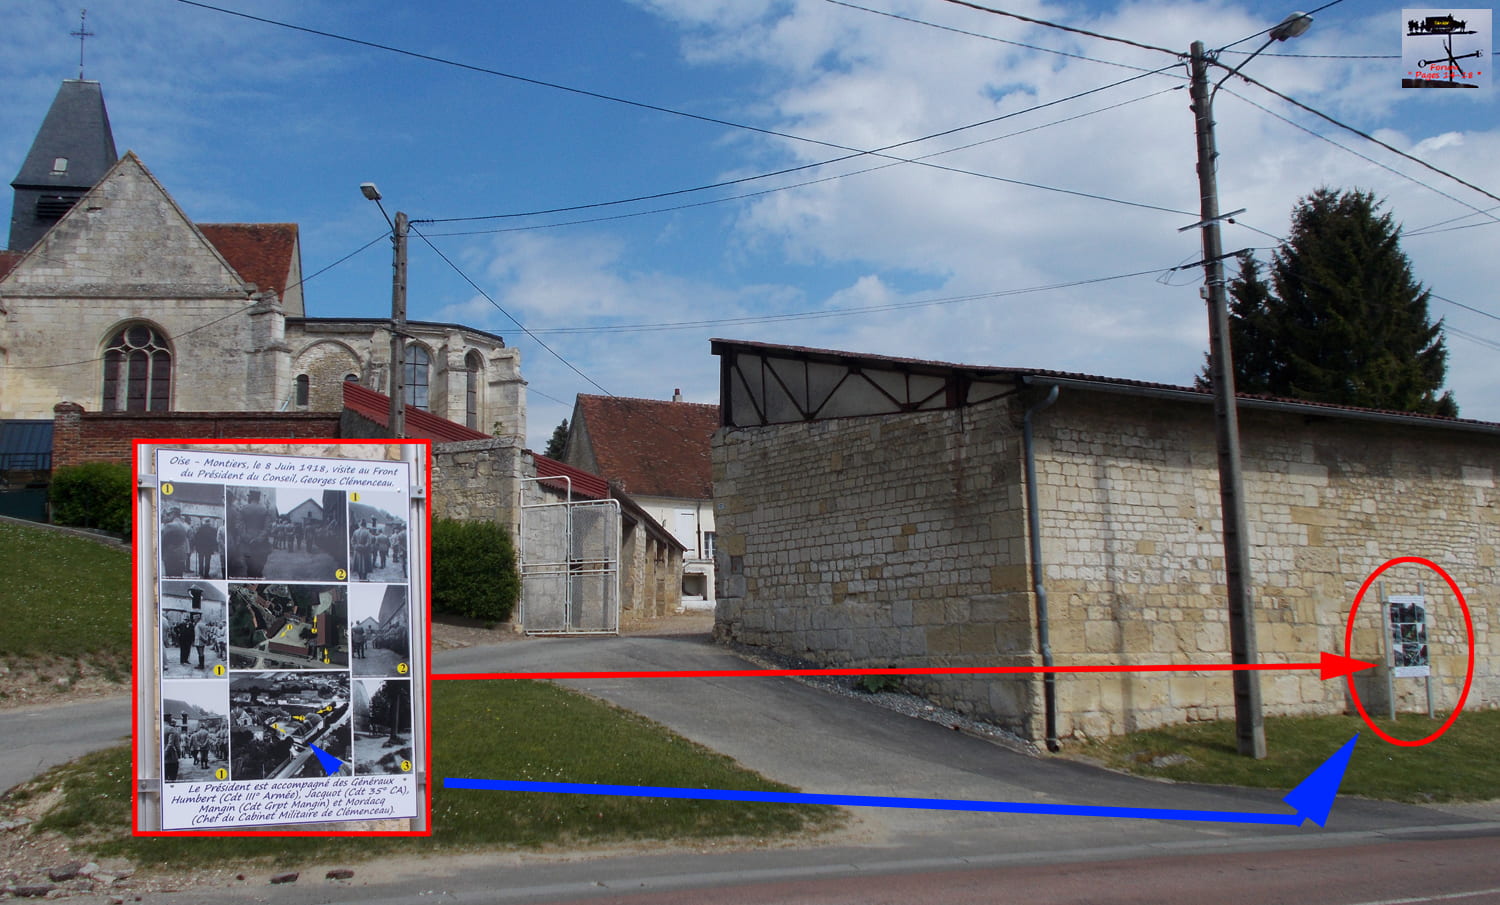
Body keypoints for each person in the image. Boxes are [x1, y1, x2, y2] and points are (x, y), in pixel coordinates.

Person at [160, 508, 190, 578]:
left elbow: (162, 542)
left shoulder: (169, 526)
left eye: (169, 514)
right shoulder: (184, 526)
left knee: (170, 577)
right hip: (181, 556)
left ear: (173, 514)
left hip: (171, 557)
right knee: (178, 577)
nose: (168, 516)